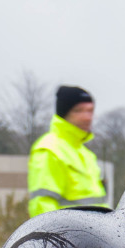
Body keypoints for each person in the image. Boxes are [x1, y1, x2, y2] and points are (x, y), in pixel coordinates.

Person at [27, 85, 110, 216]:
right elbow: (42, 207)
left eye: (90, 111)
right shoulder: (49, 150)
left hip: (91, 234)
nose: (87, 117)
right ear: (64, 113)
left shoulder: (87, 155)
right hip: (68, 235)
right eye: (79, 111)